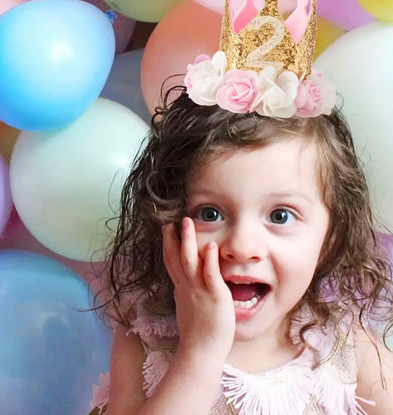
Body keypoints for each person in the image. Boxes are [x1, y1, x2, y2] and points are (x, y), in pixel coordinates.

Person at [88, 0, 393, 414]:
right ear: (169, 220)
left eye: (280, 216)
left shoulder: (345, 343)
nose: (242, 246)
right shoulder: (146, 335)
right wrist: (200, 351)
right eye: (210, 213)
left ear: (331, 235)